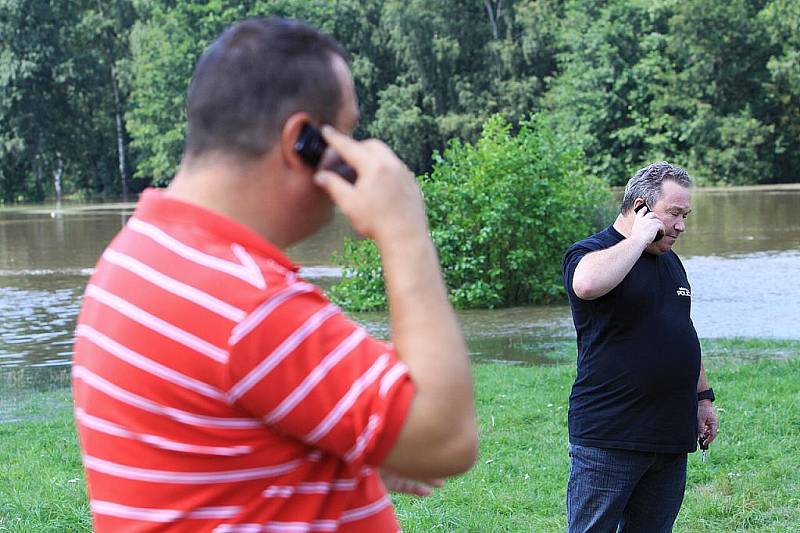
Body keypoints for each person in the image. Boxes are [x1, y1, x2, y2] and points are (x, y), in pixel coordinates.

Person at [71, 17, 478, 532]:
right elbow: (446, 437)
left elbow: (211, 441)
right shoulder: (248, 303)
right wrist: (405, 231)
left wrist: (336, 451)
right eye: (346, 134)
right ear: (300, 143)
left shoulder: (137, 255)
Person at [561, 162, 719, 532]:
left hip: (669, 435)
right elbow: (586, 285)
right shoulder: (591, 252)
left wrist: (703, 398)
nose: (681, 225)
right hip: (611, 436)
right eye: (674, 214)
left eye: (686, 215)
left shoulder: (670, 261)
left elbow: (682, 329)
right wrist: (638, 238)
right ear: (641, 207)